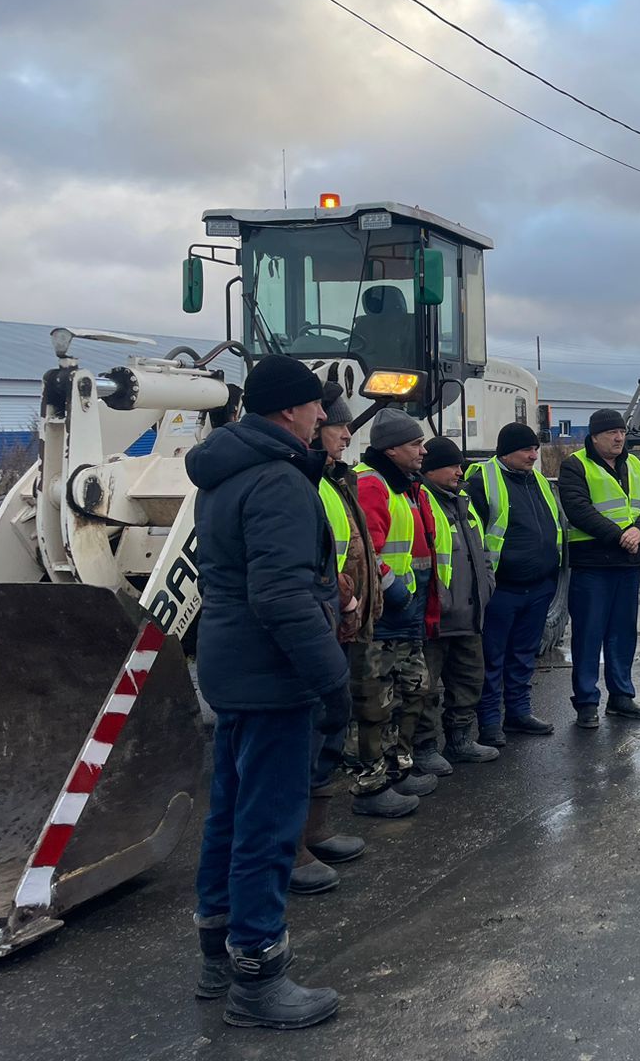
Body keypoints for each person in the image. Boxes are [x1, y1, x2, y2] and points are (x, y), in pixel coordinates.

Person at [185, 354, 345, 1029]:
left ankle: (217, 954)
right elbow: (280, 595)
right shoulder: (278, 480)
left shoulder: (224, 473)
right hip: (273, 672)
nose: (323, 419)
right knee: (268, 825)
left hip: (233, 664)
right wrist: (332, 680)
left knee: (229, 812)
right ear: (290, 411)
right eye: (317, 408)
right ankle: (257, 976)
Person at [290, 384, 374, 897]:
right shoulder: (304, 483)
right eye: (336, 424)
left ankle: (314, 828)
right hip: (317, 617)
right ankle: (292, 844)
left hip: (337, 615)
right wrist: (340, 596)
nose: (346, 432)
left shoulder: (334, 479)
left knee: (329, 726)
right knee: (305, 732)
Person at [351, 407, 441, 810]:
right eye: (414, 444)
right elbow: (367, 548)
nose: (422, 451)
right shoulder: (373, 485)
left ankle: (397, 770)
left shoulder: (406, 485)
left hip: (408, 612)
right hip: (387, 617)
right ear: (390, 450)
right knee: (378, 702)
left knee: (410, 693)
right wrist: (394, 589)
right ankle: (373, 784)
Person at [559, 408, 640, 727]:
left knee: (622, 633)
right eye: (611, 433)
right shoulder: (575, 465)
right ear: (594, 437)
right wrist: (620, 536)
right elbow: (578, 509)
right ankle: (587, 702)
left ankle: (621, 696)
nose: (619, 438)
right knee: (589, 634)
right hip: (592, 565)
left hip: (626, 565)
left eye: (622, 432)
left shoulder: (636, 464)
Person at [466, 422, 564, 748]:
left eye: (536, 448)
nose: (534, 455)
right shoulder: (481, 481)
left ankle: (519, 712)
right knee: (492, 657)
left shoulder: (534, 478)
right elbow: (473, 535)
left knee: (523, 655)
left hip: (538, 587)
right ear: (507, 451)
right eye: (527, 449)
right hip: (502, 588)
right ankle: (490, 721)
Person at [417, 436, 500, 764]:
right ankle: (424, 748)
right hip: (437, 618)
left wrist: (487, 586)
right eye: (452, 465)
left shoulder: (462, 500)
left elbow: (481, 552)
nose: (459, 471)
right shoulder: (421, 499)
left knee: (468, 679)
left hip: (469, 613)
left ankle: (460, 740)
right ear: (432, 469)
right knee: (424, 688)